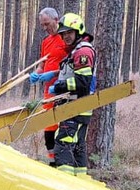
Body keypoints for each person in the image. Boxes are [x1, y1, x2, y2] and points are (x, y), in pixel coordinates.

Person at [49, 13, 95, 177]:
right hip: (78, 108)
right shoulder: (77, 50)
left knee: (63, 144)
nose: (66, 36)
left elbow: (82, 82)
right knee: (78, 147)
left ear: (78, 31)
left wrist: (59, 86)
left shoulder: (82, 51)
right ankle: (80, 180)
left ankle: (65, 182)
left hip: (75, 108)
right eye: (63, 34)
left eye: (69, 32)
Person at [28, 8, 69, 164]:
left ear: (56, 19)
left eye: (47, 24)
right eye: (42, 25)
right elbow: (43, 64)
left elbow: (72, 66)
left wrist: (54, 74)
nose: (45, 28)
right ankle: (52, 161)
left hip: (65, 89)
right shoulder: (45, 42)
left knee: (65, 126)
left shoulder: (66, 38)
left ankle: (64, 160)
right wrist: (36, 74)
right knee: (49, 126)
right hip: (48, 91)